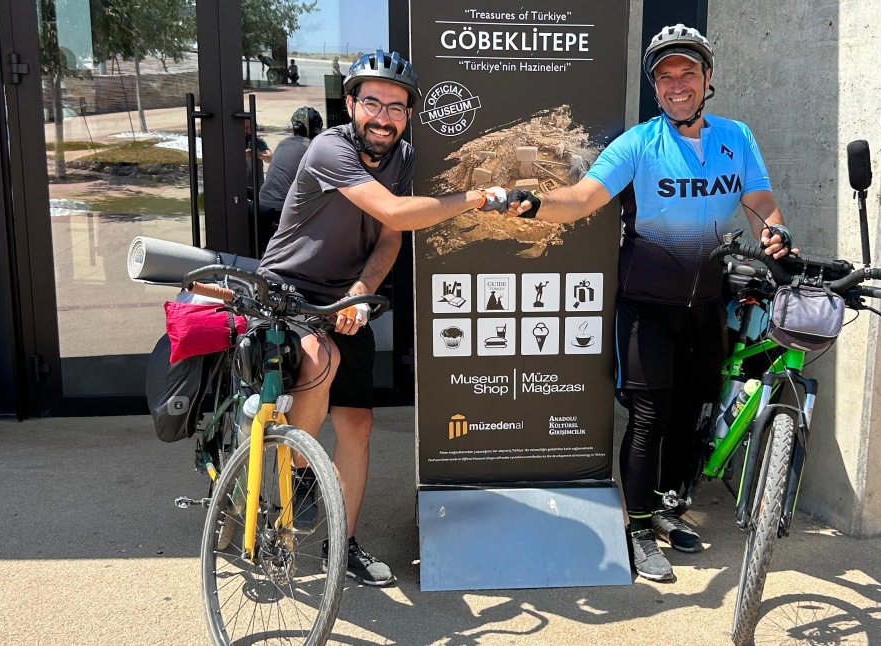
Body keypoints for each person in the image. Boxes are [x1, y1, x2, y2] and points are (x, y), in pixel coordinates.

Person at [503, 25, 797, 582]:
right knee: (648, 418)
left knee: (690, 417)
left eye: (687, 72)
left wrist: (774, 233)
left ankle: (663, 511)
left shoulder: (737, 137)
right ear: (655, 88)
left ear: (708, 79)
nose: (676, 84)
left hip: (709, 305)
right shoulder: (638, 144)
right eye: (665, 76)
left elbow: (759, 202)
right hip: (646, 307)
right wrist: (534, 202)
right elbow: (583, 198)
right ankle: (636, 530)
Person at [258, 50, 511, 587]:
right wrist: (472, 198)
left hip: (345, 297)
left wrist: (361, 290)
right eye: (371, 102)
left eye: (396, 106)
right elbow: (396, 212)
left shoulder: (401, 160)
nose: (383, 116)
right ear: (350, 105)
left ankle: (341, 545)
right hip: (288, 290)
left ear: (409, 115)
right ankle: (290, 476)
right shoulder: (329, 147)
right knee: (315, 357)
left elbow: (391, 235)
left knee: (357, 424)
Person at [256, 106, 324, 253]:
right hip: (284, 214)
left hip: (262, 207)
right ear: (317, 130)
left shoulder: (283, 143)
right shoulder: (314, 149)